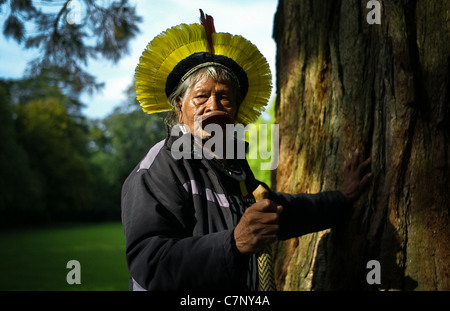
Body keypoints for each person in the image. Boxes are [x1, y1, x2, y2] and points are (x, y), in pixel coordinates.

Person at [121, 10, 372, 291]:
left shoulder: (235, 170)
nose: (213, 106)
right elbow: (151, 263)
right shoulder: (160, 167)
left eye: (224, 97)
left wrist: (343, 197)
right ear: (180, 107)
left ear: (236, 111)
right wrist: (233, 243)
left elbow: (286, 211)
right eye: (201, 96)